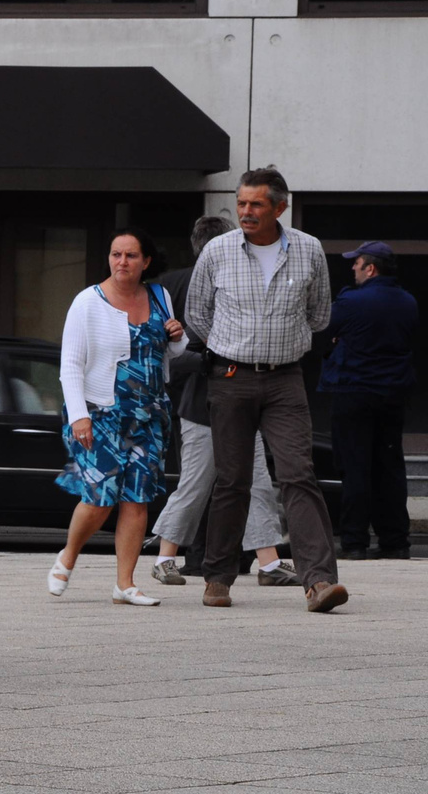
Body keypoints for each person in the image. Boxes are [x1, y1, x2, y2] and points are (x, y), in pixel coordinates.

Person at [187, 167, 348, 612]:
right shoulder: (218, 252)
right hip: (230, 378)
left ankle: (319, 582)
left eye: (256, 204)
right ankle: (217, 578)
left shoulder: (309, 250)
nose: (246, 211)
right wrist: (232, 348)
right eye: (241, 203)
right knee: (233, 480)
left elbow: (319, 316)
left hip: (285, 379)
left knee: (299, 474)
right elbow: (197, 315)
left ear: (280, 207)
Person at [149, 215, 300, 588]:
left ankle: (267, 561)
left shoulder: (173, 285)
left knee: (251, 482)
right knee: (204, 483)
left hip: (217, 399)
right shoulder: (195, 286)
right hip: (209, 400)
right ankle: (166, 556)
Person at [48, 228, 186, 605]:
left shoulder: (160, 297)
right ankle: (69, 556)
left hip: (150, 413)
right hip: (101, 412)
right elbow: (70, 365)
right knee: (100, 497)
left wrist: (177, 336)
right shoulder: (87, 302)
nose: (121, 262)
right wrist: (79, 416)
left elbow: (168, 353)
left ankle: (125, 583)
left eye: (130, 256)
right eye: (115, 254)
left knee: (137, 498)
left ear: (146, 262)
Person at [318, 241, 417, 560]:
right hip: (393, 394)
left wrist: (339, 338)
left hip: (354, 392)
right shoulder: (408, 302)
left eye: (356, 263)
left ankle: (355, 542)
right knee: (390, 467)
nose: (352, 268)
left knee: (355, 466)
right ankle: (395, 541)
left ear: (370, 268)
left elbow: (322, 330)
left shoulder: (352, 301)